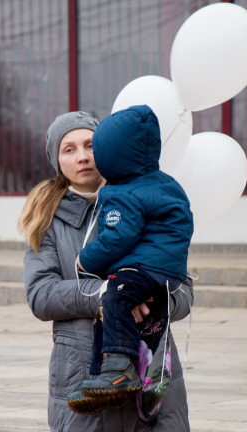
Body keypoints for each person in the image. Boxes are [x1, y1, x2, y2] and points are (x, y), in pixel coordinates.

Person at [20, 111, 193, 431]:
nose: (83, 157)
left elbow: (183, 290)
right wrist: (104, 294)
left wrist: (150, 299)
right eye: (69, 149)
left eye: (90, 145)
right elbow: (41, 295)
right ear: (57, 161)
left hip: (153, 373)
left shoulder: (150, 198)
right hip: (81, 375)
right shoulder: (45, 221)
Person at [74, 105, 193, 405]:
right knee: (108, 314)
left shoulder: (124, 192)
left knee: (114, 297)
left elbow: (117, 237)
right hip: (166, 268)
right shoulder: (164, 183)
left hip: (147, 267)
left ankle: (119, 371)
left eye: (95, 150)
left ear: (111, 156)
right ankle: (101, 379)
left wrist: (85, 260)